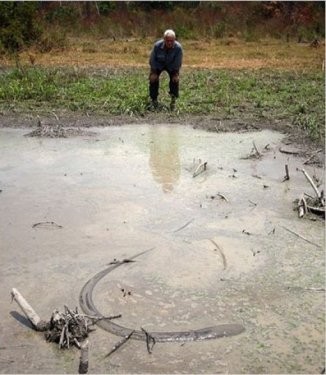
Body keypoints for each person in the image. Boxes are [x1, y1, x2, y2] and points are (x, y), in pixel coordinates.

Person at [149, 29, 183, 111]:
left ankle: (173, 100)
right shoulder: (157, 46)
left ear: (174, 40)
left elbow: (178, 62)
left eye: (172, 41)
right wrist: (153, 72)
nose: (169, 43)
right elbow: (152, 59)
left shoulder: (178, 48)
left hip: (172, 66)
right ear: (164, 39)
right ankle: (154, 100)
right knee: (153, 79)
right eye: (167, 40)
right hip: (158, 64)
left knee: (175, 80)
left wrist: (175, 74)